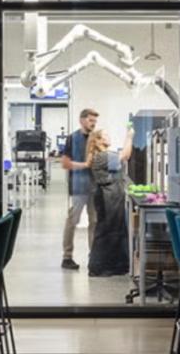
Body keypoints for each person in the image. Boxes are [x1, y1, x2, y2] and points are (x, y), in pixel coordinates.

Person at [86, 125, 133, 277]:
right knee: (106, 231)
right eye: (106, 135)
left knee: (116, 230)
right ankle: (98, 267)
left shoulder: (105, 154)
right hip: (107, 196)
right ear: (98, 140)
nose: (109, 136)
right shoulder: (101, 156)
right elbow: (125, 155)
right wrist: (129, 136)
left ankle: (116, 266)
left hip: (112, 195)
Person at [61, 108, 99, 270]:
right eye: (91, 120)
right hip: (78, 186)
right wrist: (84, 165)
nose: (93, 124)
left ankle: (94, 256)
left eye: (95, 121)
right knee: (72, 221)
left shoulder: (97, 138)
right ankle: (67, 257)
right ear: (82, 120)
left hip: (95, 186)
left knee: (95, 222)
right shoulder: (72, 138)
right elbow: (65, 163)